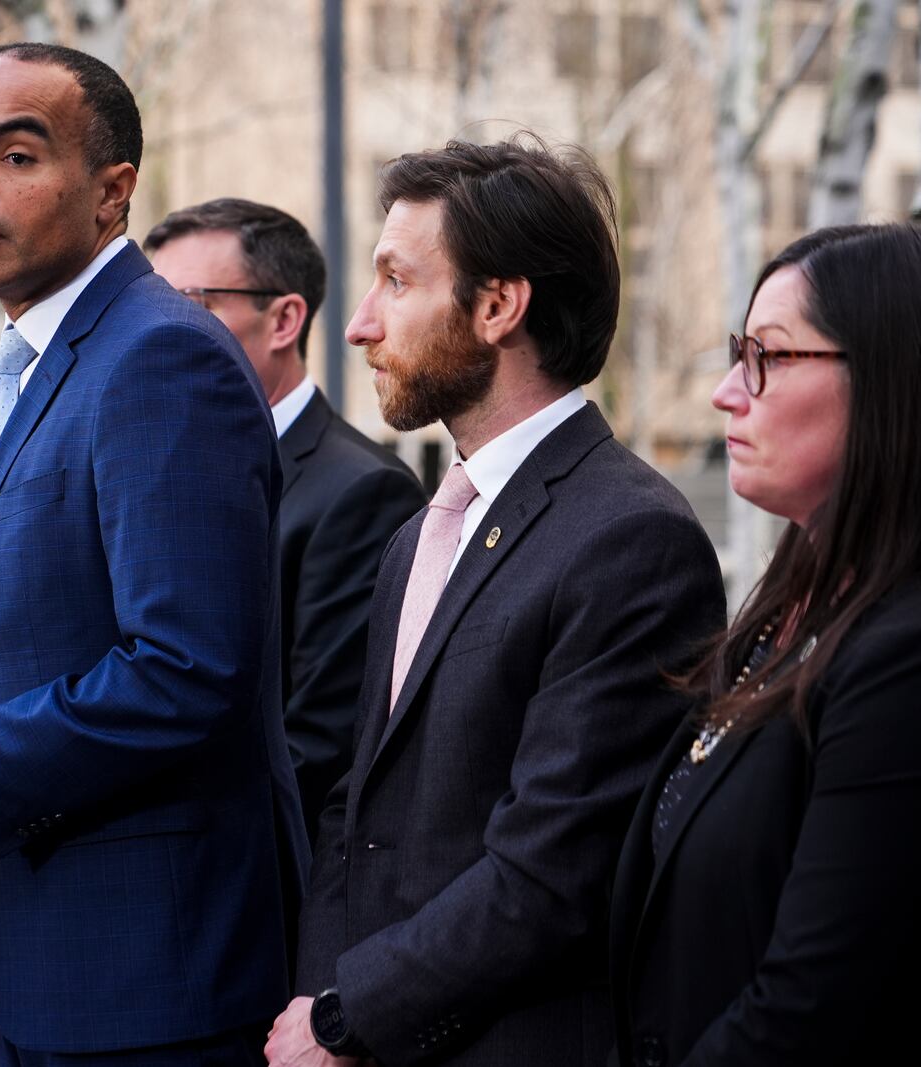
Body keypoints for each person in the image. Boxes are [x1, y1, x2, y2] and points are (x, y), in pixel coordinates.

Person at [0, 43, 306, 1065]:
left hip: (148, 983)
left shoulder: (162, 356)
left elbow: (187, 668)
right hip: (27, 957)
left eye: (15, 156)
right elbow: (40, 639)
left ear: (112, 192)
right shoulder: (4, 381)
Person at [269, 137, 726, 1067]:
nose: (359, 325)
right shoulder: (420, 533)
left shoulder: (631, 538)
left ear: (497, 305)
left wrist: (348, 1017)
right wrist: (322, 998)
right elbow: (352, 808)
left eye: (397, 281)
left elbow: (552, 873)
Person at [608, 223, 921, 1066]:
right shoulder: (787, 610)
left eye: (770, 356)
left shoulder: (914, 652)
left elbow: (812, 1005)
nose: (727, 391)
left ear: (892, 380)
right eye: (737, 352)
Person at [145, 198, 426, 841]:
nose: (156, 334)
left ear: (283, 320)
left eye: (188, 306)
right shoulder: (152, 469)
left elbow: (320, 750)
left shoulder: (363, 492)